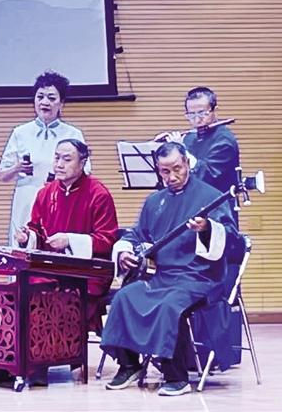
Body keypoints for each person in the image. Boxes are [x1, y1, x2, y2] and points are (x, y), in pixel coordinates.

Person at [0, 138, 118, 386]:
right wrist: (27, 237)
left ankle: (36, 366)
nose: (59, 164)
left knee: (42, 294)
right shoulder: (46, 192)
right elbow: (37, 230)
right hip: (51, 268)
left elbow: (107, 239)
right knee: (14, 291)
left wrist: (70, 240)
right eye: (57, 158)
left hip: (85, 274)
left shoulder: (98, 194)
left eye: (67, 159)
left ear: (82, 162)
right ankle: (7, 360)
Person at [100, 142, 237, 397]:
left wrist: (207, 229)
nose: (172, 176)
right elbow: (137, 234)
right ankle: (129, 365)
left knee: (170, 305)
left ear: (187, 163)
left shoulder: (210, 196)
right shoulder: (155, 201)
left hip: (200, 277)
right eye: (165, 171)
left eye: (177, 168)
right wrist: (125, 251)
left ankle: (176, 376)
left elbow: (231, 237)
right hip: (163, 276)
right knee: (123, 298)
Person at [166, 86, 244, 363]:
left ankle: (215, 354)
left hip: (217, 221)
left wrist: (182, 152)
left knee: (211, 285)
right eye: (191, 114)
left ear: (214, 110)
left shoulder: (225, 140)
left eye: (202, 112)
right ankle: (181, 354)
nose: (197, 119)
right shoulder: (189, 138)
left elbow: (206, 175)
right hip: (188, 218)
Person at [0, 71, 89, 246]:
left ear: (61, 103)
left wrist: (60, 180)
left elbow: (85, 172)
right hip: (26, 199)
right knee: (23, 247)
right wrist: (17, 168)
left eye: (51, 98)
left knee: (55, 246)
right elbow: (3, 175)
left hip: (61, 200)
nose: (44, 102)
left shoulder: (73, 133)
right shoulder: (20, 132)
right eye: (40, 97)